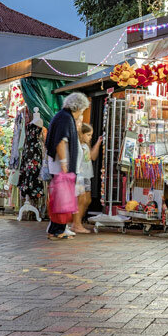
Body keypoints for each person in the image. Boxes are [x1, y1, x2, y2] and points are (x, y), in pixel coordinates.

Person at [45, 92, 90, 239]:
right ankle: (58, 230)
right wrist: (64, 164)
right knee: (61, 199)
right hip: (61, 167)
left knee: (61, 198)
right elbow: (61, 141)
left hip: (60, 167)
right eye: (82, 110)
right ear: (77, 107)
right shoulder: (65, 118)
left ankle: (57, 228)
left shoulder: (63, 117)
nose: (81, 114)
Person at [73, 123, 102, 234]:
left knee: (87, 200)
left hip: (86, 175)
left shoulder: (85, 145)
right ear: (82, 134)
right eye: (88, 135)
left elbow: (92, 157)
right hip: (80, 175)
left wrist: (98, 143)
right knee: (81, 199)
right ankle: (76, 223)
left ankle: (78, 221)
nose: (90, 137)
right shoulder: (79, 145)